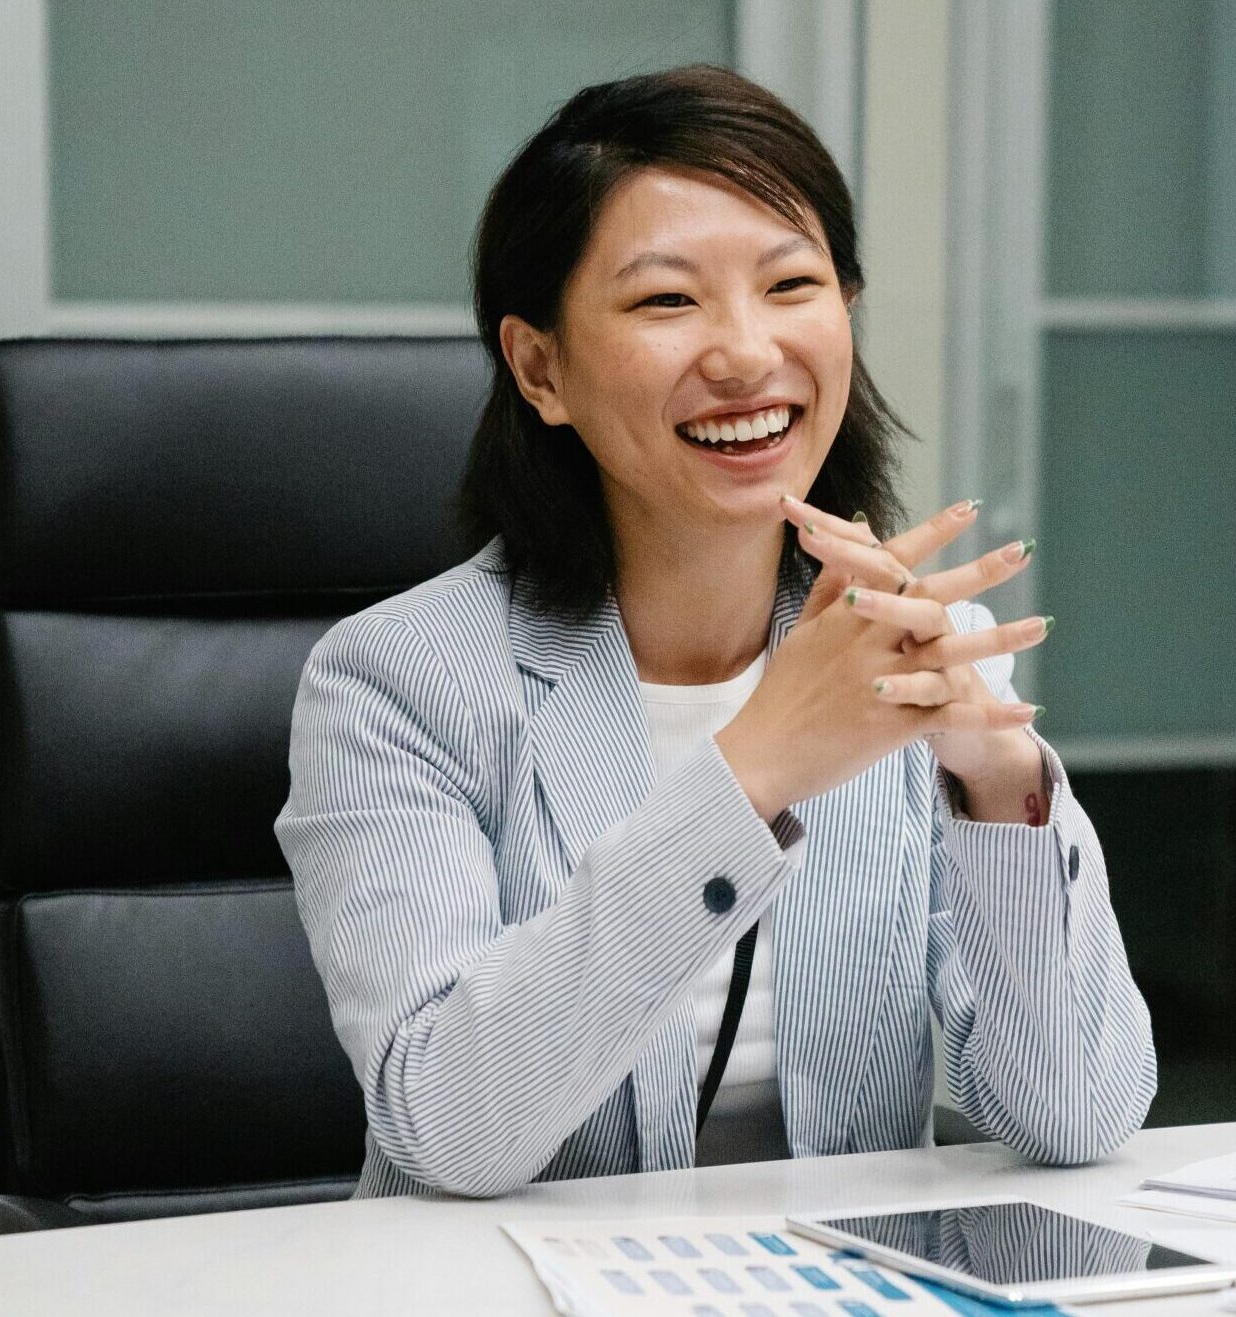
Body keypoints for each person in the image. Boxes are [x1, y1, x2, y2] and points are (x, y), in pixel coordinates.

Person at [277, 64, 1155, 1200]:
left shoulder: (911, 649)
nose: (745, 354)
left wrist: (998, 783)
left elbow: (1077, 1115)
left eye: (791, 284)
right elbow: (448, 1131)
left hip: (838, 1274)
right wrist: (755, 770)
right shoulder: (397, 682)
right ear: (541, 367)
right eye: (666, 302)